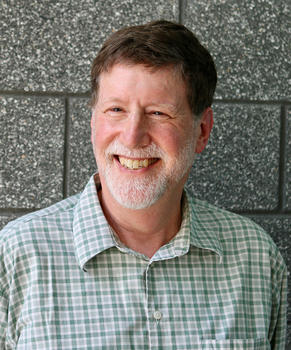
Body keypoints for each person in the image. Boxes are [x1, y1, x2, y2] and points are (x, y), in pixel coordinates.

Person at [0, 20, 287, 349]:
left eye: (159, 113)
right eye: (116, 109)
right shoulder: (18, 256)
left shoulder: (255, 258)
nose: (133, 136)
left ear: (203, 131)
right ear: (93, 122)